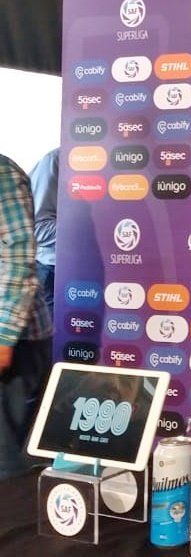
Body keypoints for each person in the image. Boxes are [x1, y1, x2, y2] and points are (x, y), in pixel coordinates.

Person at [0, 154, 52, 480]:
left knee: (5, 463)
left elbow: (18, 257)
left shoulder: (3, 173)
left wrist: (3, 337)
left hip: (15, 343)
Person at [29, 148, 59, 318]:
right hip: (50, 270)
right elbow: (38, 227)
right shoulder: (55, 161)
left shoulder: (108, 166)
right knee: (55, 341)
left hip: (87, 267)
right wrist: (80, 235)